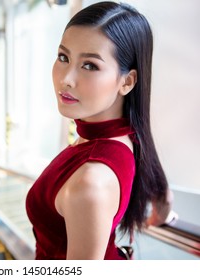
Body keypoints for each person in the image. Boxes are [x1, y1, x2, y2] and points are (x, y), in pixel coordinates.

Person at [26, 1, 174, 260]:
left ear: (126, 82)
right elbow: (163, 198)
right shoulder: (129, 136)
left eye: (90, 65)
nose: (66, 79)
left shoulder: (91, 180)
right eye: (64, 57)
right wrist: (162, 206)